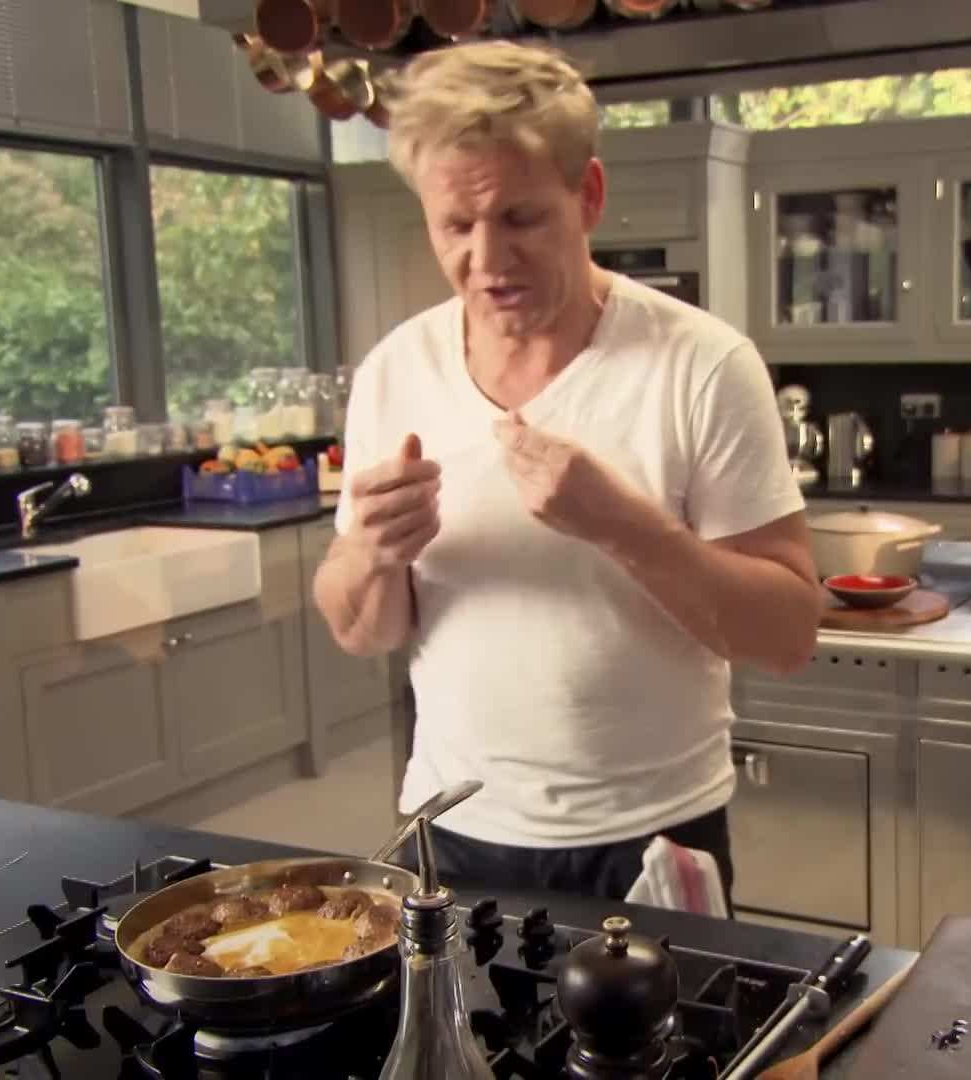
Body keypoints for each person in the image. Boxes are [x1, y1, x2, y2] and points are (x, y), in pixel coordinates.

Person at [311, 40, 819, 902]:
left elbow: (789, 633)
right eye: (456, 226)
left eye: (519, 218)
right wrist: (371, 552)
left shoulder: (700, 364)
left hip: (652, 837)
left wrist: (622, 525)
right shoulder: (397, 371)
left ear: (587, 197)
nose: (486, 259)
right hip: (451, 832)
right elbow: (363, 628)